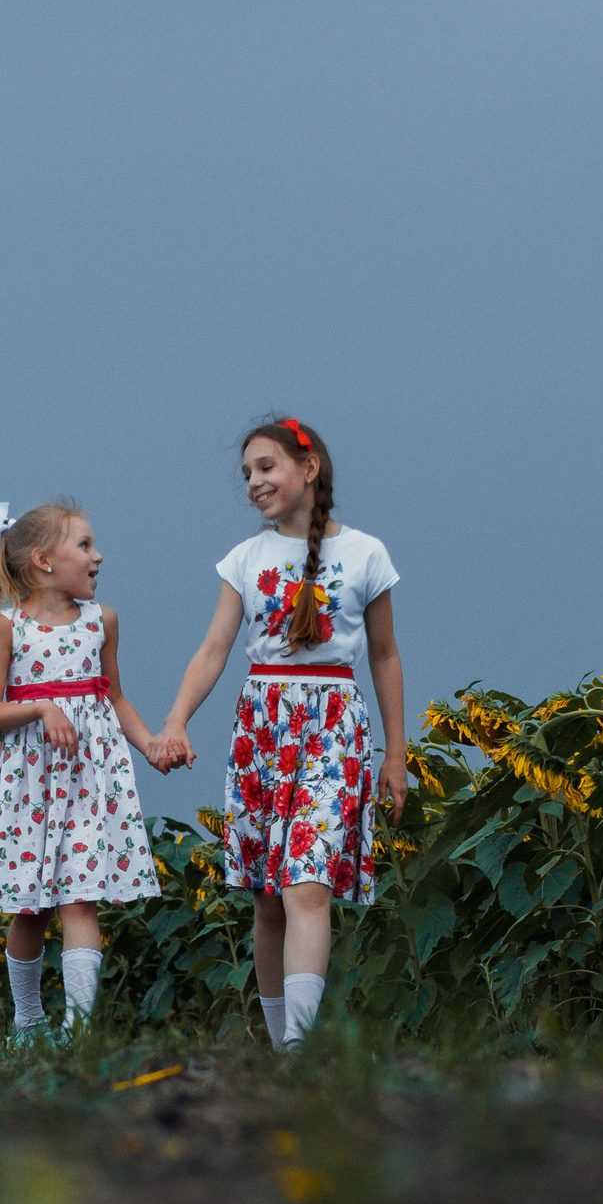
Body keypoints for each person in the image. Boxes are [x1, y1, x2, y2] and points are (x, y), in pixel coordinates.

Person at [150, 417, 405, 1049]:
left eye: (266, 468)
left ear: (308, 467)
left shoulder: (366, 553)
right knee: (267, 897)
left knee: (306, 886)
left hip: (334, 723)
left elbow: (384, 656)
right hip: (263, 728)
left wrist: (394, 755)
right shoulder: (246, 558)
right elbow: (214, 649)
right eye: (246, 475)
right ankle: (275, 1047)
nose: (254, 484)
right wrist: (176, 719)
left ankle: (298, 1051)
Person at [0, 500, 162, 1042]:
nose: (99, 555)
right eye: (85, 546)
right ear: (44, 560)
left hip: (90, 783)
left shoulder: (102, 621)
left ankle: (80, 1031)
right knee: (31, 910)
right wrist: (41, 708)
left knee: (80, 898)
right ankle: (28, 1021)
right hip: (28, 789)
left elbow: (113, 698)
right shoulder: (6, 627)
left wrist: (152, 746)